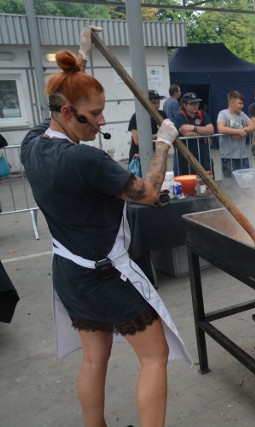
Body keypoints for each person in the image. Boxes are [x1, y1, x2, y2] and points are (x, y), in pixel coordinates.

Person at [19, 27, 191, 427]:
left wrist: (79, 59)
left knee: (95, 358)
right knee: (155, 355)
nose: (101, 120)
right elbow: (147, 193)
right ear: (67, 114)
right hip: (103, 277)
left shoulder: (31, 144)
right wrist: (163, 141)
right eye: (93, 114)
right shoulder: (85, 162)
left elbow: (54, 101)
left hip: (69, 273)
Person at [172, 91, 214, 175]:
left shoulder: (202, 114)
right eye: (192, 104)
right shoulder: (179, 116)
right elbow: (187, 134)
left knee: (207, 180)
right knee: (188, 182)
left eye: (197, 103)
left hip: (203, 156)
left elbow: (211, 130)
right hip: (185, 157)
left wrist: (193, 128)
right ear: (185, 105)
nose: (196, 106)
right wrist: (204, 134)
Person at [217, 91, 255, 178]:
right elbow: (220, 128)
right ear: (232, 103)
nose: (242, 106)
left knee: (247, 179)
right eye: (240, 103)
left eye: (242, 103)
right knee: (230, 182)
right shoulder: (223, 113)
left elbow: (253, 126)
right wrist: (238, 132)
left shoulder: (242, 114)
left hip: (242, 156)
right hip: (228, 156)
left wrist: (243, 130)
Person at [127, 90, 167, 164]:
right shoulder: (137, 116)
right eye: (154, 103)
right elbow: (137, 140)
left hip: (158, 154)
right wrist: (159, 135)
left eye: (158, 103)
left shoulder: (162, 114)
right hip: (140, 156)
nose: (157, 106)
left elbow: (168, 132)